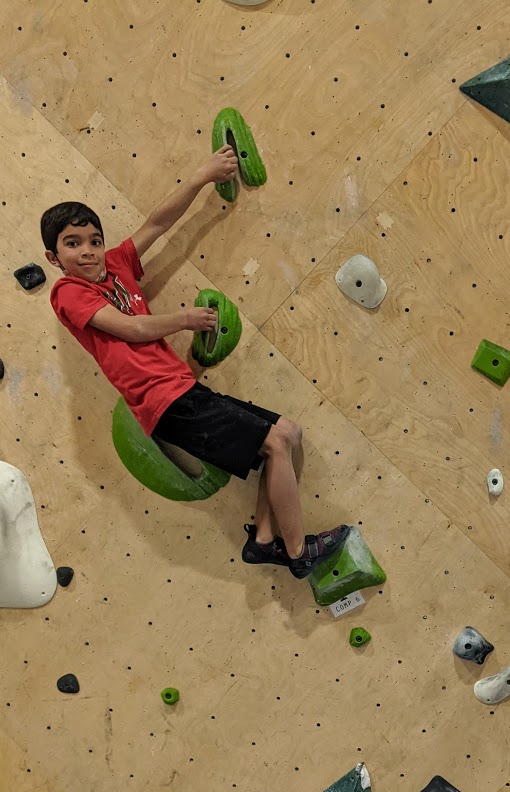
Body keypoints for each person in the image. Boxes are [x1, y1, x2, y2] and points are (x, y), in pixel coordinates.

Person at [41, 146, 348, 580]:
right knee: (277, 442)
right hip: (163, 402)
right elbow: (130, 329)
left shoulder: (115, 267)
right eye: (72, 244)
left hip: (182, 391)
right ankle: (299, 553)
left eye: (94, 240)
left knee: (289, 434)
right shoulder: (67, 292)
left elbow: (157, 223)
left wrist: (203, 176)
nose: (87, 251)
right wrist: (185, 319)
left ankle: (263, 541)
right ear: (55, 259)